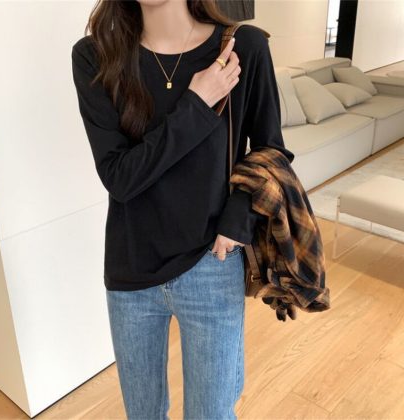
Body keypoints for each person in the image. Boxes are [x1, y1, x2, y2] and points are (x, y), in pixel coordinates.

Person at [71, 1, 294, 419]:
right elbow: (120, 177)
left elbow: (270, 151)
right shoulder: (95, 56)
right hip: (131, 266)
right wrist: (197, 101)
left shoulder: (242, 47)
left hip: (212, 262)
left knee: (211, 413)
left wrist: (238, 221)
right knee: (143, 414)